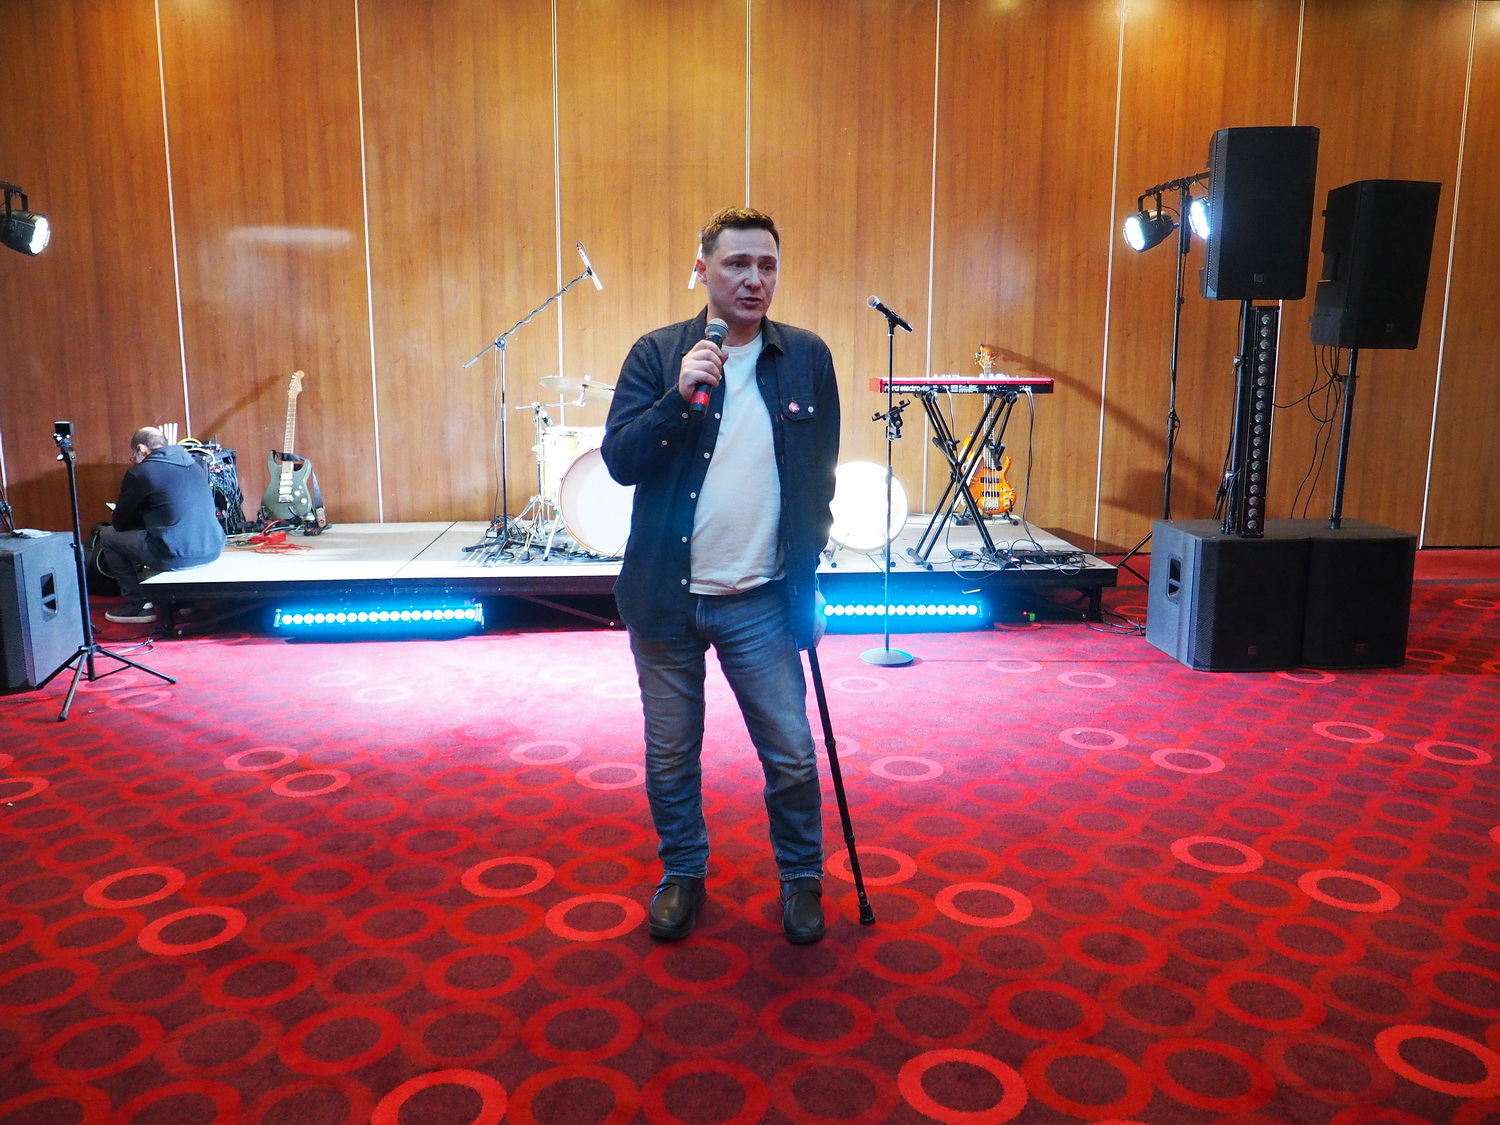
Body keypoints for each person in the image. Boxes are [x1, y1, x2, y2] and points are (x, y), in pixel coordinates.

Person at [602, 206, 841, 944]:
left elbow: (819, 481)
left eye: (767, 265)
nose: (753, 279)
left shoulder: (806, 357)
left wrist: (809, 581)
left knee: (792, 753)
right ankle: (683, 872)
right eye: (737, 263)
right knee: (672, 753)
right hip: (665, 599)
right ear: (702, 269)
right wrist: (676, 399)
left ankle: (801, 876)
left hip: (762, 598)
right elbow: (619, 462)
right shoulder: (657, 353)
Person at [99, 426, 226, 624]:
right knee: (169, 532)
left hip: (176, 556)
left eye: (133, 456)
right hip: (213, 550)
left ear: (141, 449)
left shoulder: (140, 472)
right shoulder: (194, 464)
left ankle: (138, 606)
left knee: (108, 535)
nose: (133, 460)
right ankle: (184, 602)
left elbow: (120, 523)